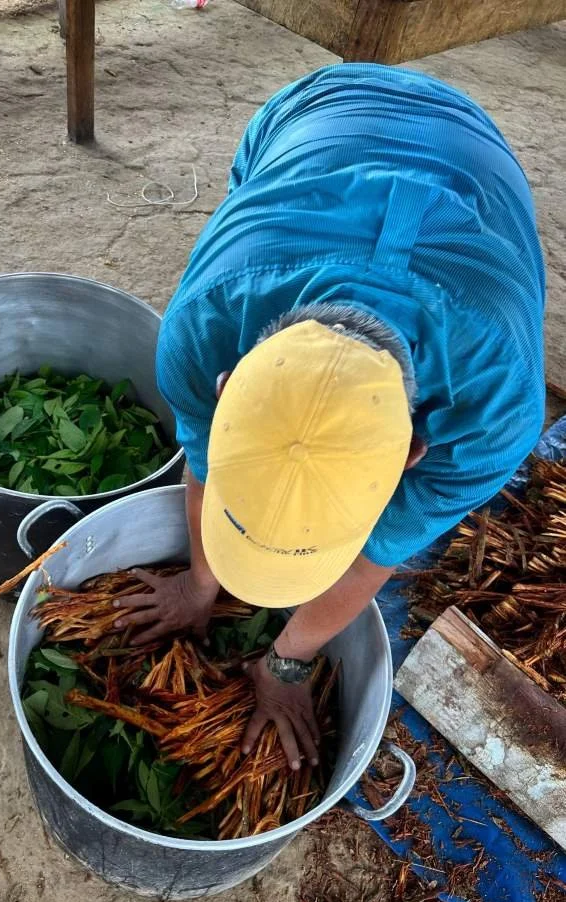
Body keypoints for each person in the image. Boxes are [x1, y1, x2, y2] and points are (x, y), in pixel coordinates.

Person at [112, 64, 546, 771]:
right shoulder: (205, 321)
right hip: (321, 111)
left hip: (477, 164)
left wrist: (285, 664)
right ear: (226, 388)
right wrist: (199, 583)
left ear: (414, 454)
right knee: (253, 207)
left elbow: (378, 555)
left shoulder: (494, 408)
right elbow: (202, 458)